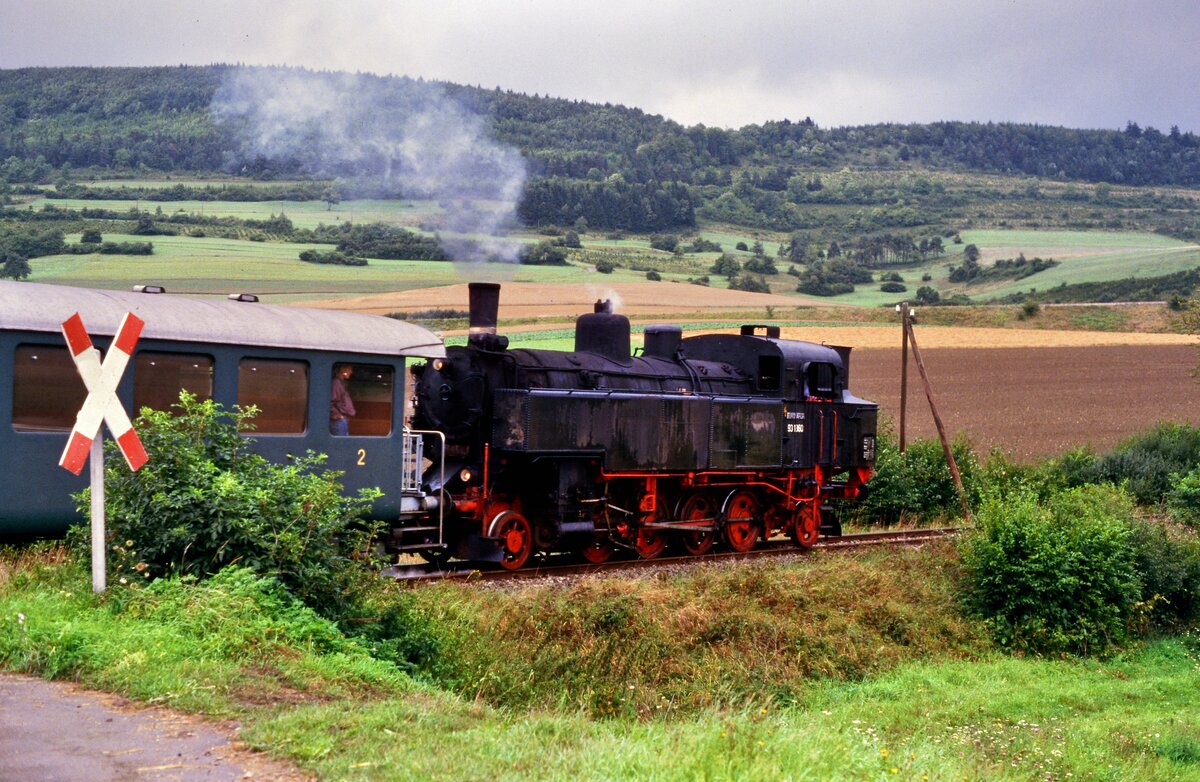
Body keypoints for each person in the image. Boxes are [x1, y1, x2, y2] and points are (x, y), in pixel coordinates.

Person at [330, 364, 356, 435]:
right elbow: (330, 402)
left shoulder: (341, 383)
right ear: (342, 369)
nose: (351, 372)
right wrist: (338, 416)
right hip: (338, 421)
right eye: (349, 369)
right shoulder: (336, 383)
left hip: (342, 420)